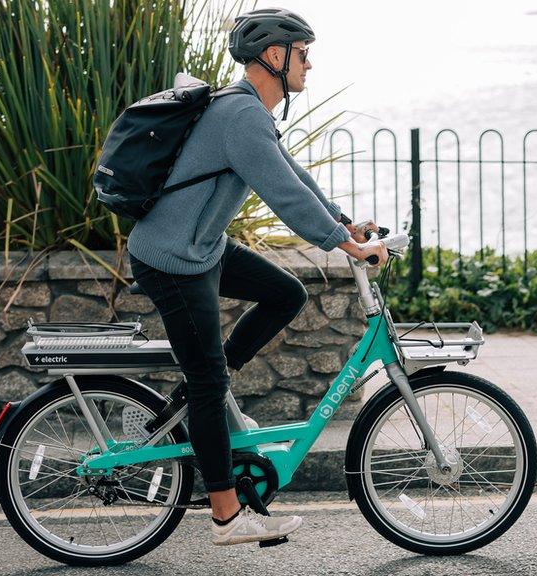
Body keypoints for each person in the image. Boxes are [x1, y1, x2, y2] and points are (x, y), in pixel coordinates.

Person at [126, 7, 387, 546]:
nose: (309, 64)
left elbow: (292, 174)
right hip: (173, 260)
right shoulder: (241, 115)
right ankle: (226, 516)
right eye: (303, 53)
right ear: (275, 55)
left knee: (284, 293)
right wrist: (349, 248)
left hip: (201, 247)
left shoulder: (246, 110)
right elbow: (285, 197)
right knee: (208, 379)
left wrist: (342, 223)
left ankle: (210, 390)